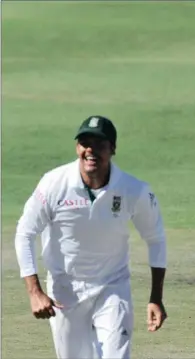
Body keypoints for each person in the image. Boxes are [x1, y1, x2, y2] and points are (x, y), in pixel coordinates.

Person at [14, 115, 168, 359]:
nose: (90, 150)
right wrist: (35, 292)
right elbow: (25, 233)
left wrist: (155, 298)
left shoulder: (134, 190)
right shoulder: (54, 184)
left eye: (99, 144)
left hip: (112, 286)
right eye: (85, 143)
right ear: (77, 148)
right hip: (65, 290)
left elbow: (156, 238)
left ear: (113, 148)